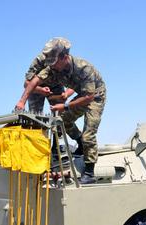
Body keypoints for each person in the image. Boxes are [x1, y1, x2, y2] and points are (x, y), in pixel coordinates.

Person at [15, 37, 106, 185]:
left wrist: (65, 105)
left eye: (54, 62)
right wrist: (22, 101)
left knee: (89, 133)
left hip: (95, 97)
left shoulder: (84, 68)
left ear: (64, 57)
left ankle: (89, 172)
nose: (52, 66)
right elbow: (34, 81)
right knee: (61, 121)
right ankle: (80, 143)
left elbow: (88, 96)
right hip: (82, 94)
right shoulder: (55, 67)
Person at [23, 39, 75, 114]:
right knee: (35, 116)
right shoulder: (40, 60)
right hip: (36, 87)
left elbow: (74, 84)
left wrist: (66, 94)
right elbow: (26, 84)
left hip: (57, 87)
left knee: (60, 115)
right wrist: (40, 90)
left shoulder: (67, 61)